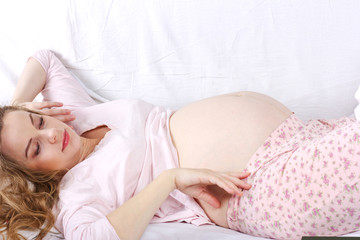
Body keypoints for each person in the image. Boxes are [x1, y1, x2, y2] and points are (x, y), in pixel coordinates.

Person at [0, 50, 359, 240]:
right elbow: (94, 237)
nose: (49, 134)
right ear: (29, 175)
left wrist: (20, 107)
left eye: (38, 121)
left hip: (301, 134)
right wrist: (168, 180)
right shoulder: (74, 195)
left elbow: (43, 59)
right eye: (35, 149)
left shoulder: (74, 117)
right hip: (257, 188)